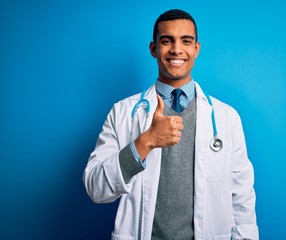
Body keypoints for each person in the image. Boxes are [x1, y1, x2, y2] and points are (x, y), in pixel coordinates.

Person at [83, 9, 258, 240]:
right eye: (167, 41)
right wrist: (145, 142)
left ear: (196, 48)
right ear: (153, 49)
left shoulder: (226, 117)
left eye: (186, 41)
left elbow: (242, 198)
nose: (177, 49)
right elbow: (96, 189)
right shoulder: (123, 112)